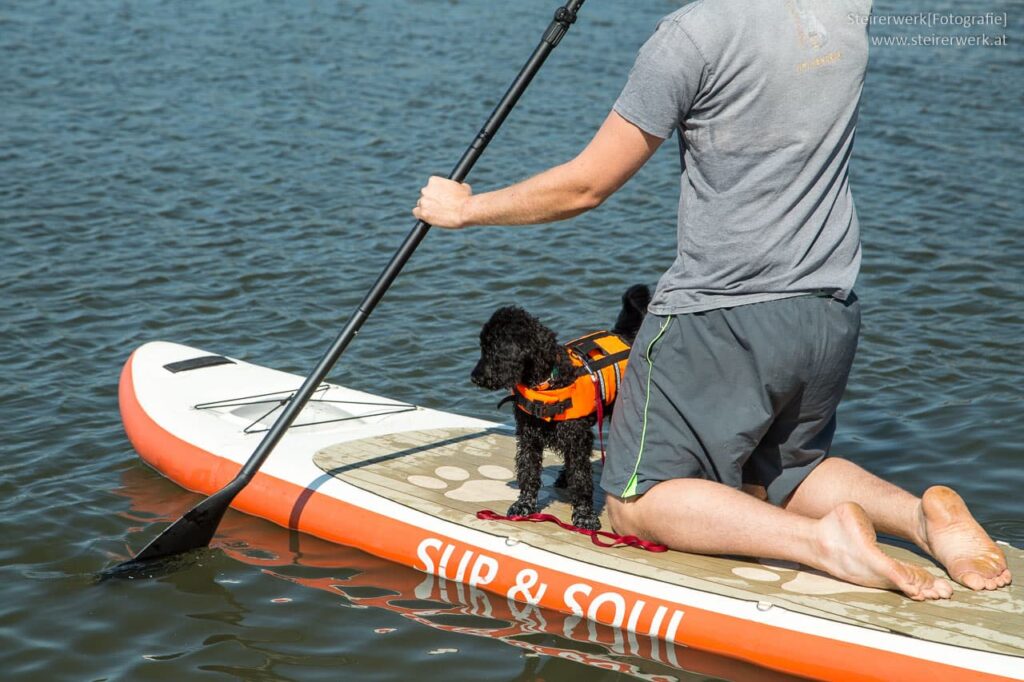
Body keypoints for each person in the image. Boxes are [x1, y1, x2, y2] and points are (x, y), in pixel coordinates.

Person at [412, 0, 1011, 600]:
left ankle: (825, 544)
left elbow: (587, 186)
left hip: (723, 312)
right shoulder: (844, 11)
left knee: (635, 500)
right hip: (829, 310)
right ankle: (921, 520)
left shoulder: (691, 36)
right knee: (781, 472)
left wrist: (465, 209)